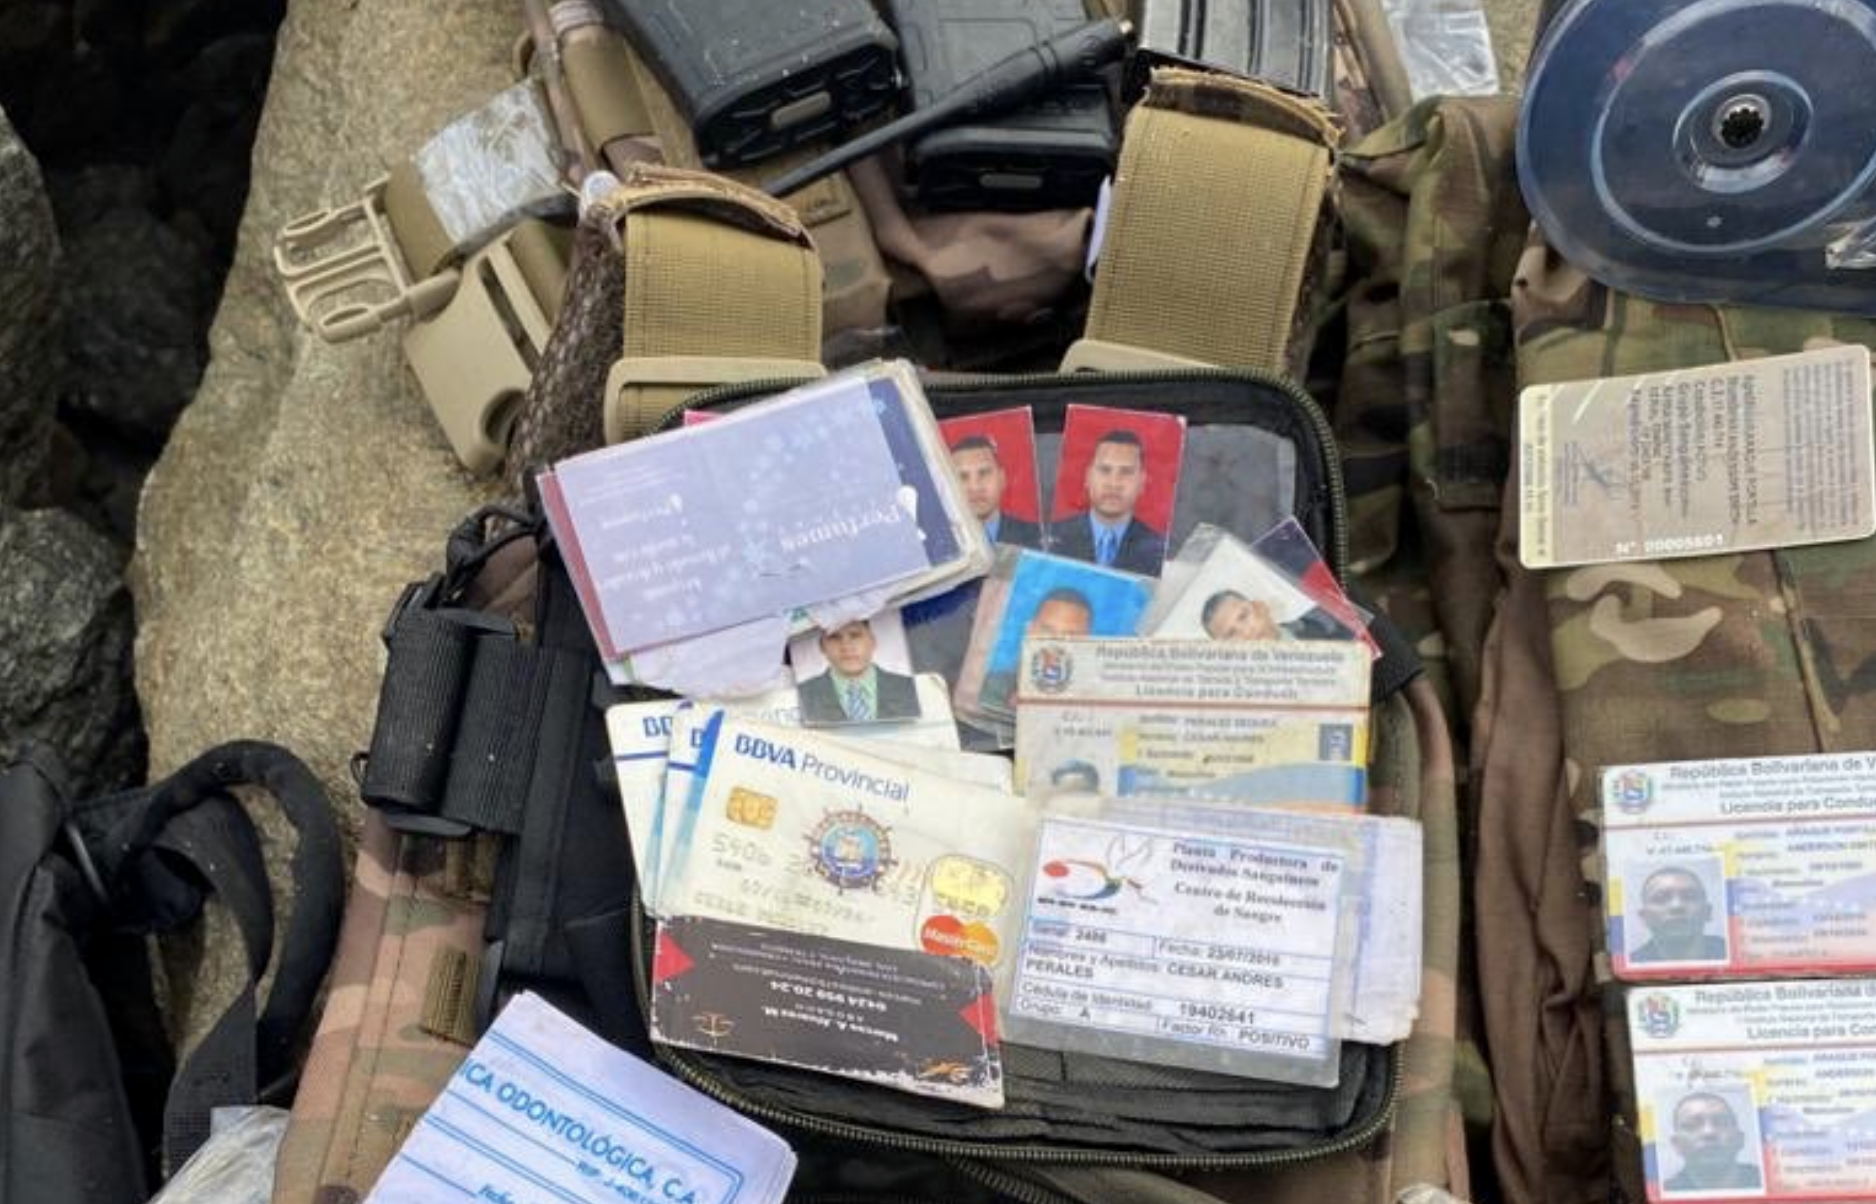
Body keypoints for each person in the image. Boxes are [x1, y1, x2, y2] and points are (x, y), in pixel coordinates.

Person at [1050, 429, 1166, 574]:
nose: (1114, 483)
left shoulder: (1159, 550)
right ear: (1088, 477)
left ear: (1142, 482)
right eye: (1104, 470)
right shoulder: (1052, 538)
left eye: (1126, 472)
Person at [980, 587, 1094, 712]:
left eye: (1070, 636)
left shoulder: (1095, 704)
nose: (1055, 644)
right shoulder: (989, 685)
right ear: (1029, 630)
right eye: (1047, 630)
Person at [797, 618, 920, 724]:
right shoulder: (801, 696)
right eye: (834, 637)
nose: (846, 647)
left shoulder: (911, 688)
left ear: (873, 641)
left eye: (855, 636)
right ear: (822, 646)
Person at [949, 434, 1040, 548]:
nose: (975, 487)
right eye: (963, 477)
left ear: (1002, 479)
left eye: (984, 473)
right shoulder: (933, 548)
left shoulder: (1038, 541)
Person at [1663, 1093, 1762, 1192]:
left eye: (1721, 1123)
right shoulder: (1666, 1192)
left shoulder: (1766, 1180)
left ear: (1739, 1139)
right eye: (1692, 1125)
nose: (1709, 1132)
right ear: (1677, 1144)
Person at [1630, 866, 1728, 963]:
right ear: (1644, 917)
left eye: (1689, 896)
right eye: (1661, 898)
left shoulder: (1732, 952)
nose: (1676, 906)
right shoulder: (1632, 963)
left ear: (1707, 912)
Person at [1200, 589, 1347, 642]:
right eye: (1231, 634)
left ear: (1260, 607)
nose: (1246, 632)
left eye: (1243, 616)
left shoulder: (1326, 620)